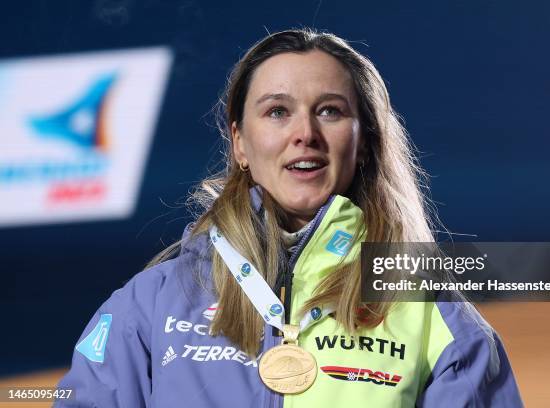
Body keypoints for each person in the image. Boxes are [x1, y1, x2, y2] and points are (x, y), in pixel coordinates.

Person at [55, 29, 523, 407]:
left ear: (364, 144)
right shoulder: (150, 306)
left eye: (330, 111)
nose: (305, 134)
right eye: (278, 111)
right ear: (239, 142)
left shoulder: (432, 312)